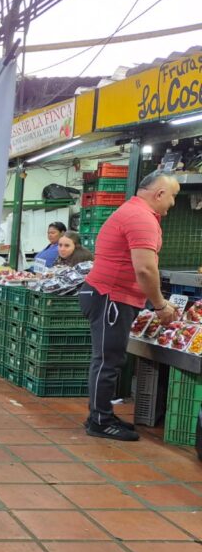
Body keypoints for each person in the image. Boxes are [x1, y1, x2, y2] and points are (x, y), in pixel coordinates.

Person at [80, 171, 180, 441]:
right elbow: (145, 270)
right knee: (107, 360)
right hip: (109, 297)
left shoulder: (136, 213)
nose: (172, 203)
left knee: (110, 359)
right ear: (159, 193)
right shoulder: (140, 217)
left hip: (111, 296)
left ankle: (101, 413)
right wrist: (159, 305)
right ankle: (99, 421)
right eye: (173, 196)